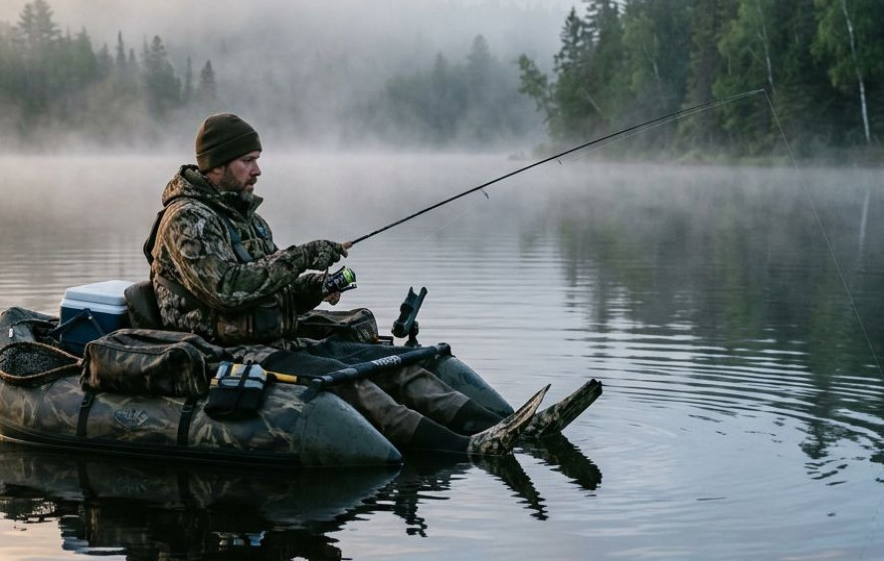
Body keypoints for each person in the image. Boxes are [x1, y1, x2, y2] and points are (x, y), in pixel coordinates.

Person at [146, 113, 597, 455]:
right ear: (217, 166)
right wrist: (302, 256)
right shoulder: (186, 220)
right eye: (248, 161)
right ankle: (467, 448)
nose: (258, 171)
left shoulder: (248, 220)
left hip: (275, 337)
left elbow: (272, 287)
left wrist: (316, 285)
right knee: (354, 384)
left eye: (257, 161)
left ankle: (513, 425)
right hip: (219, 348)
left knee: (394, 365)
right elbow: (226, 289)